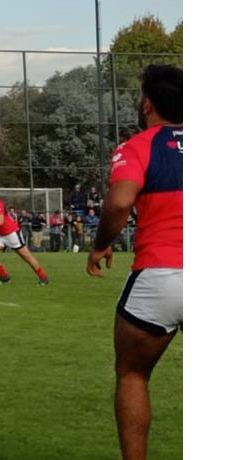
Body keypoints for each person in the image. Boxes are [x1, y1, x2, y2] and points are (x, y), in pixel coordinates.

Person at [87, 65, 182, 460]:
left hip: (162, 274)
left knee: (132, 373)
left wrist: (101, 243)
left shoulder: (139, 146)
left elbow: (122, 200)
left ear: (147, 104)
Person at [0, 186, 50, 286]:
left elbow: (0, 221)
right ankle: (4, 276)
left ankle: (43, 277)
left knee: (26, 257)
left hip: (11, 233)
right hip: (1, 235)